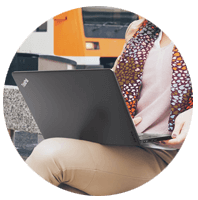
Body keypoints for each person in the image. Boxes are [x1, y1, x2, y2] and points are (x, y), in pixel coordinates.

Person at [25, 15, 193, 196]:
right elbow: (110, 89)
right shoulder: (140, 33)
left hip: (165, 155)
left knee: (49, 156)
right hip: (126, 144)